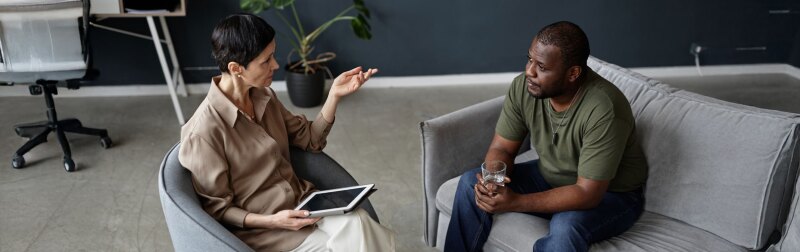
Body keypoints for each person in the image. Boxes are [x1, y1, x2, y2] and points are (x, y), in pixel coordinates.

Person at [178, 13, 395, 252]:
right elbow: (218, 210)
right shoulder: (203, 132)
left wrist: (333, 96)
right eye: (266, 60)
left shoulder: (265, 97)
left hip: (304, 205)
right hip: (265, 230)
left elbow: (310, 140)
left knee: (358, 222)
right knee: (344, 244)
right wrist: (273, 221)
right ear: (236, 68)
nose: (276, 65)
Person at [444, 21, 649, 252]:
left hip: (612, 194)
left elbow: (587, 193)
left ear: (573, 73)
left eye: (541, 66)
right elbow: (502, 147)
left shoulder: (604, 109)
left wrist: (515, 202)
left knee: (565, 225)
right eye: (530, 59)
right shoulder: (524, 87)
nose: (529, 71)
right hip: (551, 176)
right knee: (471, 182)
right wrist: (494, 181)